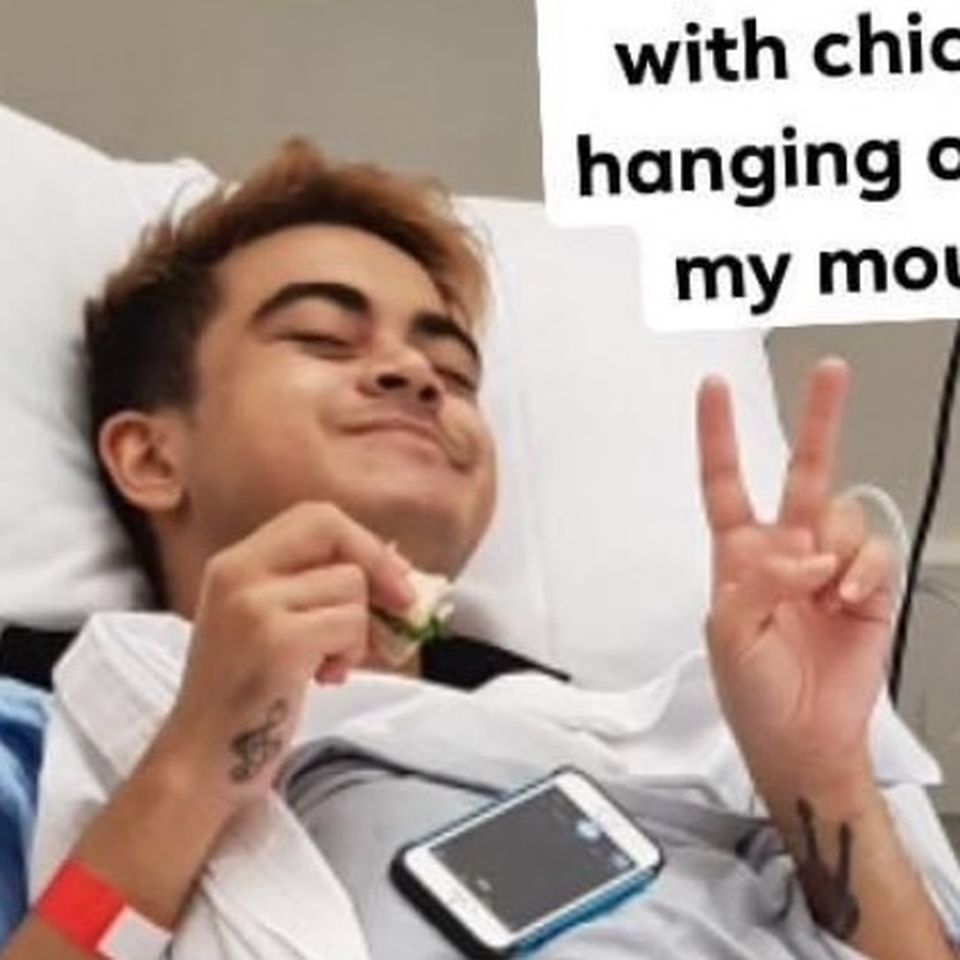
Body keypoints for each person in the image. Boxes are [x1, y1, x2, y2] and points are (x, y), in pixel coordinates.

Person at [0, 138, 957, 959]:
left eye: (454, 371)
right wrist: (196, 760)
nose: (415, 374)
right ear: (150, 457)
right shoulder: (54, 741)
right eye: (324, 338)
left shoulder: (646, 746)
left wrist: (821, 779)